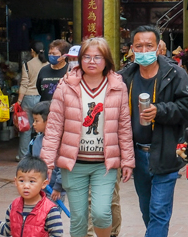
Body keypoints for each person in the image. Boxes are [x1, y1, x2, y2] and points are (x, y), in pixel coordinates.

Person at [41, 37, 134, 237]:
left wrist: (127, 160)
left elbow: (124, 127)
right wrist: (47, 164)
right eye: (87, 57)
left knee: (101, 213)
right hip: (74, 164)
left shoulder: (118, 86)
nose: (92, 61)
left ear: (107, 60)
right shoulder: (66, 86)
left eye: (97, 57)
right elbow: (54, 128)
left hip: (105, 164)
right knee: (79, 218)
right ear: (80, 59)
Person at [119, 25, 188, 237]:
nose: (144, 51)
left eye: (149, 46)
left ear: (159, 47)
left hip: (165, 150)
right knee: (147, 210)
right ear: (131, 49)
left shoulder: (175, 74)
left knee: (159, 211)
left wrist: (159, 111)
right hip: (137, 154)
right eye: (139, 46)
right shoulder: (125, 78)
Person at [0, 157, 63, 237]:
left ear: (44, 184)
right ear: (15, 182)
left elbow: (57, 235)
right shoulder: (13, 206)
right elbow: (8, 230)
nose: (26, 186)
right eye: (21, 180)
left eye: (32, 181)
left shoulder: (50, 210)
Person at [17, 42, 48, 161]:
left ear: (32, 51)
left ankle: (23, 155)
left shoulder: (27, 64)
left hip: (28, 98)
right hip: (43, 98)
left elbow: (24, 83)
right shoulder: (48, 64)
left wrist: (19, 101)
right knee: (44, 127)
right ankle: (41, 153)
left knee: (26, 128)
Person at [29, 102, 62, 200]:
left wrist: (58, 187)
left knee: (52, 215)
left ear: (48, 121)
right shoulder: (35, 141)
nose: (33, 124)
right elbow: (28, 161)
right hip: (38, 189)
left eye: (36, 121)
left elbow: (62, 167)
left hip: (54, 192)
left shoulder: (59, 143)